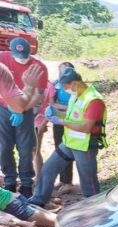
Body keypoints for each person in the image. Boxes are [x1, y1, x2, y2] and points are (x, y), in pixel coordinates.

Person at [29, 68, 107, 207]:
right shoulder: (75, 96)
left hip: (85, 146)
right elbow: (71, 116)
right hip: (69, 144)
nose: (65, 90)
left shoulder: (94, 100)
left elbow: (86, 127)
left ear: (74, 83)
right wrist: (56, 114)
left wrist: (61, 122)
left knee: (88, 182)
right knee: (48, 169)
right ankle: (38, 201)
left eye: (65, 87)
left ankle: (96, 209)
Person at [0, 37, 49, 197]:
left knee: (26, 148)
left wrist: (21, 110)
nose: (22, 60)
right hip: (3, 107)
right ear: (11, 51)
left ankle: (27, 184)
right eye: (18, 56)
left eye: (25, 56)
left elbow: (38, 94)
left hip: (26, 109)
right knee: (4, 147)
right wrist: (11, 105)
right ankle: (10, 182)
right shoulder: (2, 59)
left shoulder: (39, 66)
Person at [51, 62, 75, 194]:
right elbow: (50, 102)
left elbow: (78, 105)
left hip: (73, 122)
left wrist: (59, 106)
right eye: (61, 71)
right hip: (59, 122)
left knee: (69, 149)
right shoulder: (55, 84)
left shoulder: (76, 86)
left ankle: (68, 182)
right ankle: (63, 179)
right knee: (59, 149)